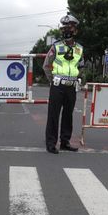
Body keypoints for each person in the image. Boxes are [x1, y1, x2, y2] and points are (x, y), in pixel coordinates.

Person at [43, 14, 84, 154]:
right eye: (65, 27)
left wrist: (78, 78)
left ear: (75, 30)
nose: (67, 30)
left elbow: (81, 66)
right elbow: (46, 65)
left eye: (70, 27)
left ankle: (65, 142)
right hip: (57, 85)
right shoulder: (56, 47)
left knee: (68, 115)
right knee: (53, 115)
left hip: (71, 87)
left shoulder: (79, 49)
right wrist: (52, 81)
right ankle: (51, 143)